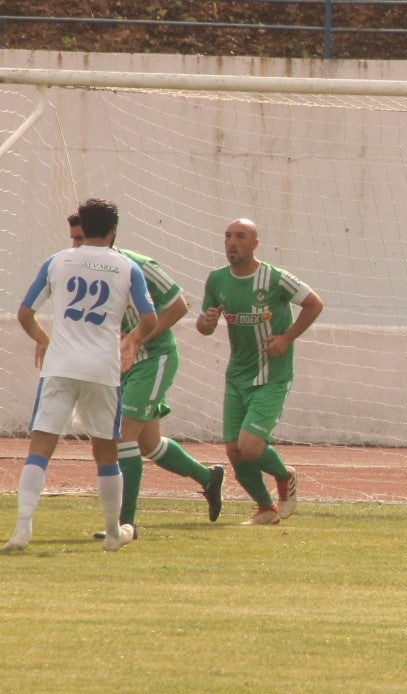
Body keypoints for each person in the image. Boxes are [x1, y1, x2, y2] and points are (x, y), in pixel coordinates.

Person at [5, 198, 157, 552]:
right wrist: (131, 341)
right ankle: (112, 532)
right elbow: (149, 318)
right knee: (106, 450)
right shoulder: (126, 267)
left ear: (83, 229)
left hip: (61, 366)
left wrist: (44, 339)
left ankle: (22, 529)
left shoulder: (57, 261)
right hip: (103, 369)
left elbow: (25, 312)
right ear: (114, 230)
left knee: (41, 446)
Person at [64, 215, 225, 540]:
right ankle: (208, 478)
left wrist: (138, 339)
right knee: (148, 444)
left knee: (122, 436)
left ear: (107, 236)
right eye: (74, 239)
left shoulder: (137, 264)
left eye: (82, 238)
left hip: (153, 358)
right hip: (116, 362)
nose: (78, 246)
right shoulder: (75, 268)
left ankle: (126, 524)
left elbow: (178, 305)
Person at [196, 218, 324, 525]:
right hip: (236, 376)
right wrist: (208, 322)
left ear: (255, 244)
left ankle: (285, 474)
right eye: (227, 236)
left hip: (272, 375)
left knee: (250, 446)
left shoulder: (275, 278)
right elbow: (203, 326)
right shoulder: (216, 280)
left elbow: (314, 304)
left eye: (240, 236)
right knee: (234, 450)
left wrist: (286, 338)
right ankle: (266, 509)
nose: (232, 242)